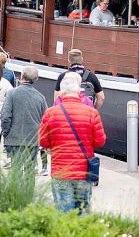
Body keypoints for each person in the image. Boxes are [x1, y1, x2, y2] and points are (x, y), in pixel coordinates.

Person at [38, 71, 107, 215]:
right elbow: (100, 141)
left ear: (62, 92)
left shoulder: (50, 113)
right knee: (82, 212)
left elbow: (43, 141)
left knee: (63, 213)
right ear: (78, 91)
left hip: (60, 170)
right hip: (83, 170)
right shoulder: (91, 112)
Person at [1, 66, 48, 171]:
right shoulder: (40, 97)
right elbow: (45, 119)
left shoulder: (12, 93)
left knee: (15, 171)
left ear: (22, 76)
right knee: (29, 171)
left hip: (14, 137)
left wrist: (6, 132)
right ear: (36, 79)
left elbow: (5, 116)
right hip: (32, 139)